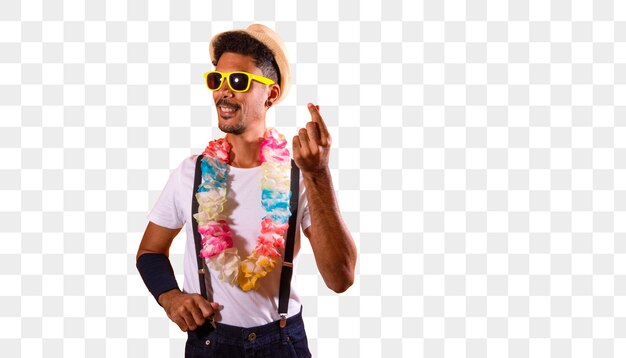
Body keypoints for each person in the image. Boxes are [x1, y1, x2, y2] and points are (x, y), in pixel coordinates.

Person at [136, 24, 357, 357]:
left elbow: (340, 279)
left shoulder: (301, 175)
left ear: (271, 94)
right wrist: (171, 297)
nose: (223, 92)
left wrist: (319, 174)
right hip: (208, 342)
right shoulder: (191, 172)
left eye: (238, 81)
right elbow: (150, 252)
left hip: (281, 343)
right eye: (217, 80)